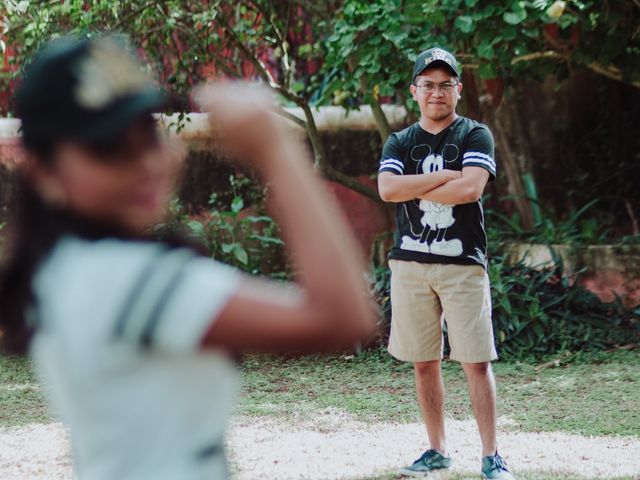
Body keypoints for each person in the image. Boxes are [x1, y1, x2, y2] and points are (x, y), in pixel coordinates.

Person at [0, 36, 375, 480]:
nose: (144, 161)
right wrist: (274, 148)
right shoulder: (122, 278)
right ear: (43, 171)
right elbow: (342, 318)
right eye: (108, 148)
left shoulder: (66, 265)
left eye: (147, 134)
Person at [377, 47, 515, 479]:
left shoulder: (475, 135)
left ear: (459, 89)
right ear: (414, 91)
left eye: (446, 85)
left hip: (463, 265)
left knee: (476, 361)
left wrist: (413, 185)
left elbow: (471, 189)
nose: (437, 92)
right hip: (411, 265)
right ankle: (436, 450)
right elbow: (386, 190)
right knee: (423, 362)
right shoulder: (400, 141)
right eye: (429, 85)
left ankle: (492, 456)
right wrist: (444, 177)